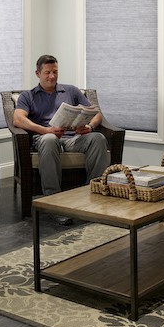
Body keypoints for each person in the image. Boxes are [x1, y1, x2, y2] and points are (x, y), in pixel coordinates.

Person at [14, 55, 109, 223]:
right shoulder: (27, 96)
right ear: (37, 74)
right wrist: (45, 130)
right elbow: (18, 119)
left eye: (55, 72)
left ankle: (93, 195)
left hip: (73, 139)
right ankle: (54, 203)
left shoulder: (71, 90)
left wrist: (89, 127)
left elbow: (96, 113)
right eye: (47, 72)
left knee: (98, 138)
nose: (52, 76)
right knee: (50, 139)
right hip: (46, 139)